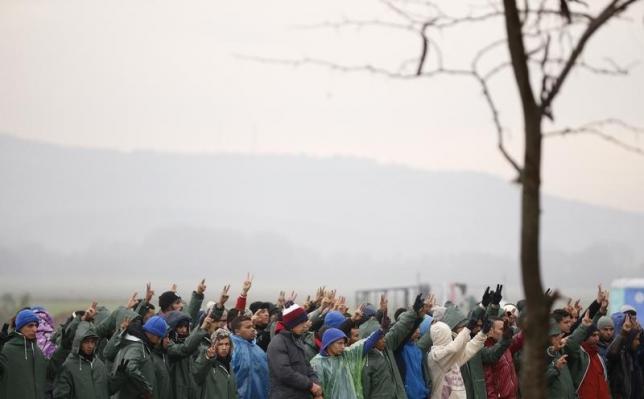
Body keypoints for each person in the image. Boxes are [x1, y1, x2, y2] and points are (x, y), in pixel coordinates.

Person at [361, 294, 429, 399]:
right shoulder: (365, 361)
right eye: (379, 338)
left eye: (383, 336)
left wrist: (415, 312)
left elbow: (400, 327)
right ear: (371, 340)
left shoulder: (386, 347)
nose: (384, 339)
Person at [310, 313, 385, 399]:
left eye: (344, 343)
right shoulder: (317, 363)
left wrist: (380, 331)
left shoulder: (346, 354)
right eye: (339, 343)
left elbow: (364, 344)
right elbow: (317, 390)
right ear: (329, 343)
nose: (343, 347)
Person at [52, 320, 127, 399]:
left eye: (92, 342)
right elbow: (60, 395)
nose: (90, 346)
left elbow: (108, 389)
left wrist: (119, 376)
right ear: (78, 343)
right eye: (86, 342)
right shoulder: (68, 367)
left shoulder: (99, 365)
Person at [267, 302, 322, 399]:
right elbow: (284, 373)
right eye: (301, 323)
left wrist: (316, 389)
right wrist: (310, 385)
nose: (305, 326)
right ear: (291, 324)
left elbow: (308, 368)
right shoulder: (278, 343)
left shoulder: (298, 341)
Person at [428, 315, 490, 399]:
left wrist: (482, 334)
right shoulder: (435, 356)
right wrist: (467, 330)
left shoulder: (450, 357)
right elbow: (453, 349)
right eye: (448, 334)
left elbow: (468, 349)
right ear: (443, 335)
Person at [112, 315, 169, 399]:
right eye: (159, 337)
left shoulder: (138, 344)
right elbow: (130, 367)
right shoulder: (137, 346)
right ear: (152, 333)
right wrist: (147, 389)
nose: (159, 341)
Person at [0, 308, 49, 399]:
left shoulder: (36, 350)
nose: (35, 329)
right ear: (20, 327)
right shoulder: (7, 349)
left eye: (36, 325)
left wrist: (64, 348)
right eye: (30, 326)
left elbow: (51, 370)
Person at [230, 315, 269, 399]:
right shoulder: (232, 349)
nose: (252, 329)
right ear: (237, 331)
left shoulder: (256, 348)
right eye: (248, 327)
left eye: (252, 326)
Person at [193, 328, 238, 399]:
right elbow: (196, 375)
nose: (224, 347)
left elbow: (234, 392)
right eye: (220, 344)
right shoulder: (208, 363)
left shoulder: (229, 364)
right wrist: (207, 357)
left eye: (227, 344)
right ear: (213, 345)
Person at [483, 317, 521, 399]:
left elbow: (518, 340)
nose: (504, 332)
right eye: (501, 329)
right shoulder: (487, 351)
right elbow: (488, 384)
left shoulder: (505, 347)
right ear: (491, 331)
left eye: (505, 329)